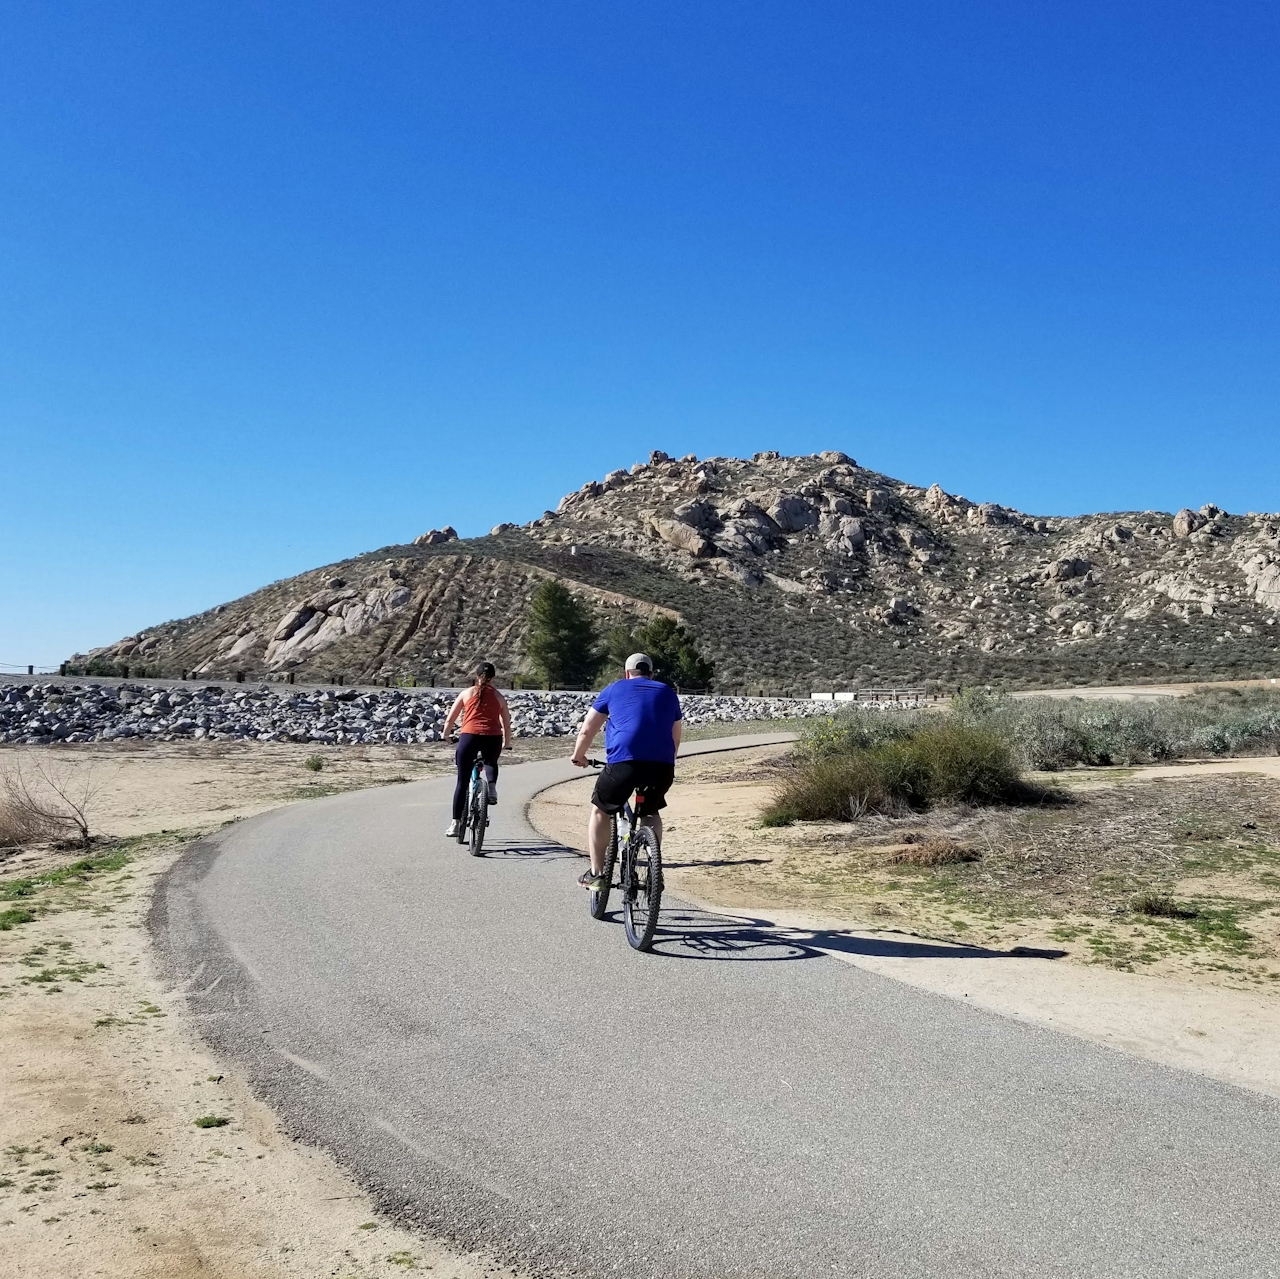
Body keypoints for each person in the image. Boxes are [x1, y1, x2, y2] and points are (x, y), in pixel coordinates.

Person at [570, 652, 682, 890]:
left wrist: (579, 756)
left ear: (627, 673)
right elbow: (675, 737)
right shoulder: (667, 693)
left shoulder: (614, 689)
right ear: (651, 674)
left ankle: (597, 874)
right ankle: (654, 871)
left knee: (600, 810)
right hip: (661, 767)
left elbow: (587, 730)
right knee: (651, 812)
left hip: (624, 764)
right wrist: (668, 763)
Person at [442, 661, 513, 838]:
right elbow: (506, 722)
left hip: (469, 737)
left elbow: (451, 718)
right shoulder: (498, 696)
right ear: (493, 678)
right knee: (490, 761)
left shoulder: (466, 693)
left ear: (477, 676)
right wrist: (507, 742)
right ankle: (492, 787)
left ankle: (455, 824)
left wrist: (446, 734)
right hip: (493, 737)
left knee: (462, 781)